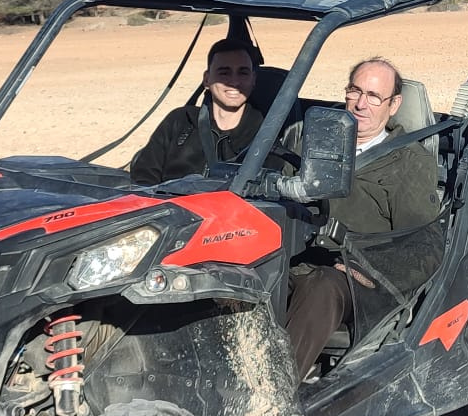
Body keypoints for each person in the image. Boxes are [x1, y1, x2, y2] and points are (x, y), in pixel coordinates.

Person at [285, 56, 440, 380]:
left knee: (322, 286)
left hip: (356, 279)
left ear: (394, 104)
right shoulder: (311, 144)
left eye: (373, 96)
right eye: (355, 92)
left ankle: (274, 397)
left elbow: (426, 245)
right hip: (295, 259)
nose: (360, 104)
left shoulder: (408, 162)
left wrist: (367, 272)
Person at [127, 39, 266, 185]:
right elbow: (142, 179)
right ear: (207, 80)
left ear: (253, 79)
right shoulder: (179, 121)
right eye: (224, 73)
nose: (234, 82)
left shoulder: (266, 132)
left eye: (243, 73)